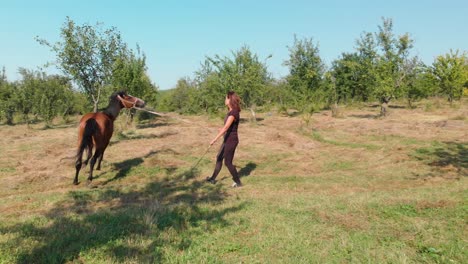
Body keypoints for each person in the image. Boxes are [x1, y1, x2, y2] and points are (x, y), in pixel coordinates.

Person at [206, 91, 242, 187]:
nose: (225, 100)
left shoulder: (234, 112)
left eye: (226, 98)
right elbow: (227, 127)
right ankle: (213, 178)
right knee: (219, 158)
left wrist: (214, 139)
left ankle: (238, 182)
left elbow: (226, 128)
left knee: (228, 162)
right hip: (227, 139)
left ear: (230, 99)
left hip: (231, 140)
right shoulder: (230, 112)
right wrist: (221, 130)